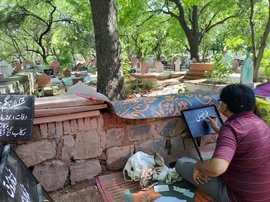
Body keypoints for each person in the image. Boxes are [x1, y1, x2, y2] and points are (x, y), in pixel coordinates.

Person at [175, 84, 270, 201]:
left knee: (181, 162)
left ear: (225, 106)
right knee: (209, 164)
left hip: (239, 197)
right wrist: (216, 128)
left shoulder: (231, 128)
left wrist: (199, 166)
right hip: (264, 192)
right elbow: (239, 139)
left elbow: (217, 168)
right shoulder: (260, 123)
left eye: (221, 102)